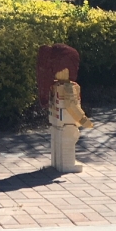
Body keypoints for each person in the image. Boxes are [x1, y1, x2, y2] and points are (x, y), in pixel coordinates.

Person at [37, 44, 93, 173]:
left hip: (57, 121)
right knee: (68, 143)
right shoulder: (68, 87)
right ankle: (68, 165)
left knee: (57, 143)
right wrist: (83, 120)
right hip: (68, 122)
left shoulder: (53, 86)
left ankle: (57, 163)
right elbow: (71, 105)